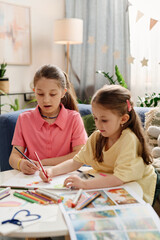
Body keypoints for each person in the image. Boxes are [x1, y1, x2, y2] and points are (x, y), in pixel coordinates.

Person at [39, 84, 157, 205]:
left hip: (137, 185)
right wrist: (52, 171)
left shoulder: (129, 139)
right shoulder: (97, 136)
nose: (98, 125)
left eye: (104, 120)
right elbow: (76, 162)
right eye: (95, 118)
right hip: (111, 181)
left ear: (123, 119)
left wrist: (84, 184)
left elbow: (119, 179)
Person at [9, 65, 88, 175]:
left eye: (52, 94)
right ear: (34, 91)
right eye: (40, 94)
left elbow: (79, 155)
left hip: (65, 175)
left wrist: (44, 163)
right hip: (33, 177)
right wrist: (21, 163)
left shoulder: (74, 118)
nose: (46, 100)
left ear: (63, 93)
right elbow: (13, 157)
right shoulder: (24, 119)